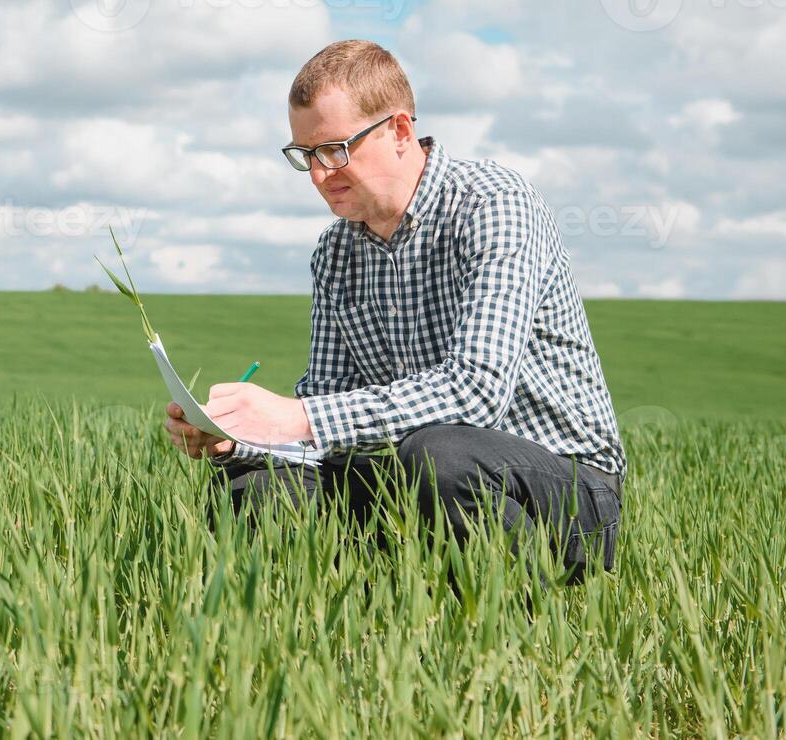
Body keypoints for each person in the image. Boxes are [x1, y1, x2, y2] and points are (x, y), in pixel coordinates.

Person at [163, 39, 625, 582]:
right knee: (259, 477)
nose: (318, 175)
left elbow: (476, 394)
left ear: (400, 132)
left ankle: (517, 635)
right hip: (417, 475)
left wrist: (299, 416)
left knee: (441, 454)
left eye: (335, 150)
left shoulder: (494, 204)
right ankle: (322, 632)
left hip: (565, 489)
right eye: (305, 156)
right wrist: (236, 435)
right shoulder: (336, 252)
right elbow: (327, 408)